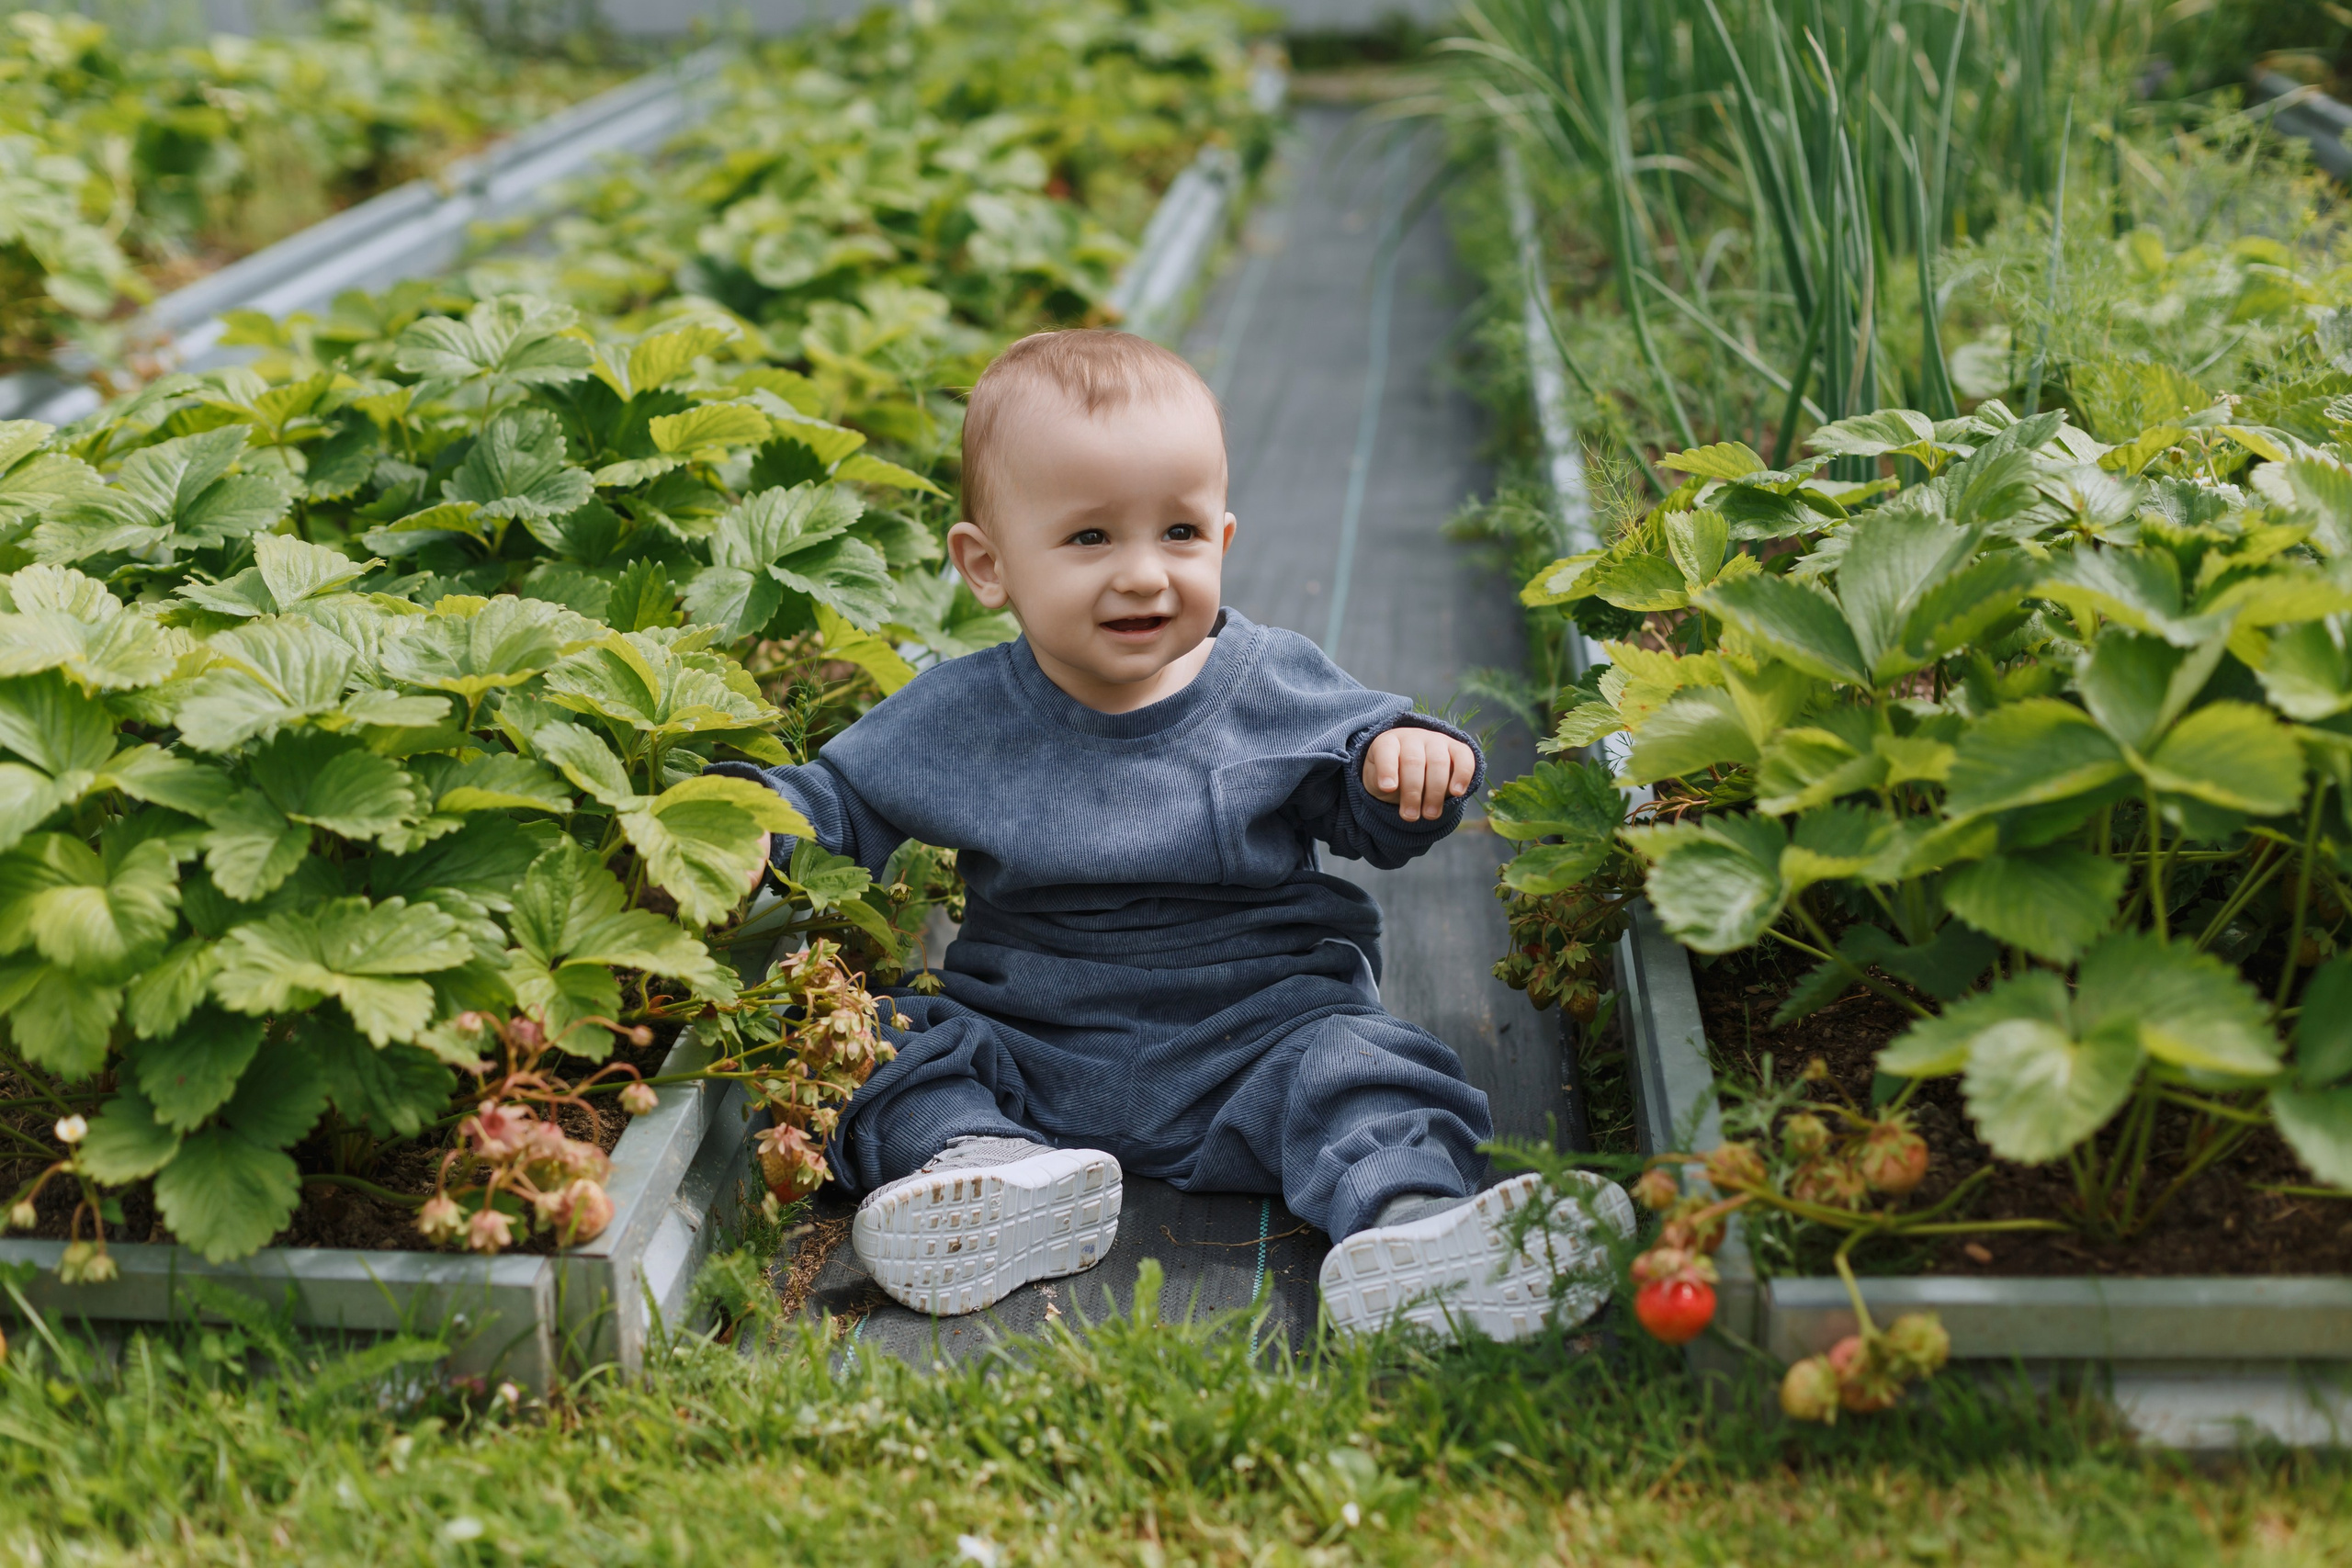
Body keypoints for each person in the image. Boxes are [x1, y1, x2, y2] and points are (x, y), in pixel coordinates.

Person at [710, 329, 1629, 1342]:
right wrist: (739, 824)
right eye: (1090, 539)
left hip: (1257, 1039)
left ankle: (1411, 1229)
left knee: (1364, 1071)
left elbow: (1364, 798)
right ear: (987, 565)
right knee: (871, 1045)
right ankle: (982, 1164)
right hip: (1032, 1046)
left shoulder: (1270, 683)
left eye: (1179, 534)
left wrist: (1400, 766)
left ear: (1223, 542)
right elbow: (837, 803)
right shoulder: (960, 714)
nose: (1144, 576)